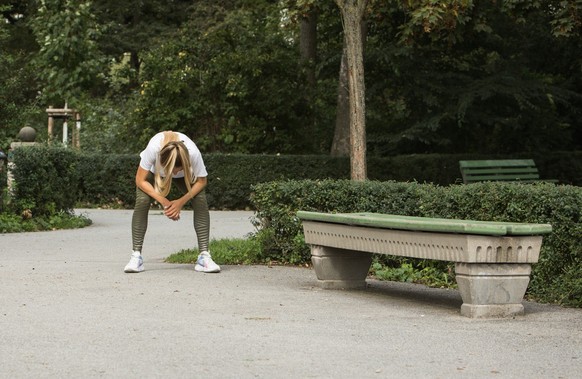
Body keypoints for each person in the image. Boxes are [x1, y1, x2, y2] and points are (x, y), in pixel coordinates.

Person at [124, 131, 220, 273]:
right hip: (152, 173)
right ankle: (136, 257)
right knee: (143, 201)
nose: (174, 174)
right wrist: (164, 202)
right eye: (172, 170)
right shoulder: (154, 149)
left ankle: (204, 257)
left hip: (186, 176)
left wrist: (180, 202)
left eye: (178, 169)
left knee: (200, 199)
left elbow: (202, 181)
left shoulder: (192, 152)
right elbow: (140, 180)